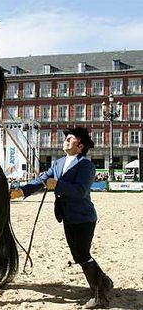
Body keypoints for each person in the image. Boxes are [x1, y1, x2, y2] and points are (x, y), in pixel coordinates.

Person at [10, 127, 113, 309]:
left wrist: (59, 184)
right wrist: (20, 191)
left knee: (82, 255)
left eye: (71, 138)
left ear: (80, 146)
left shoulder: (86, 165)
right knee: (78, 254)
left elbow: (80, 191)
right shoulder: (58, 163)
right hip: (66, 216)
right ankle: (104, 281)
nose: (66, 140)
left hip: (83, 217)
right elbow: (41, 180)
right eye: (66, 137)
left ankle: (100, 296)